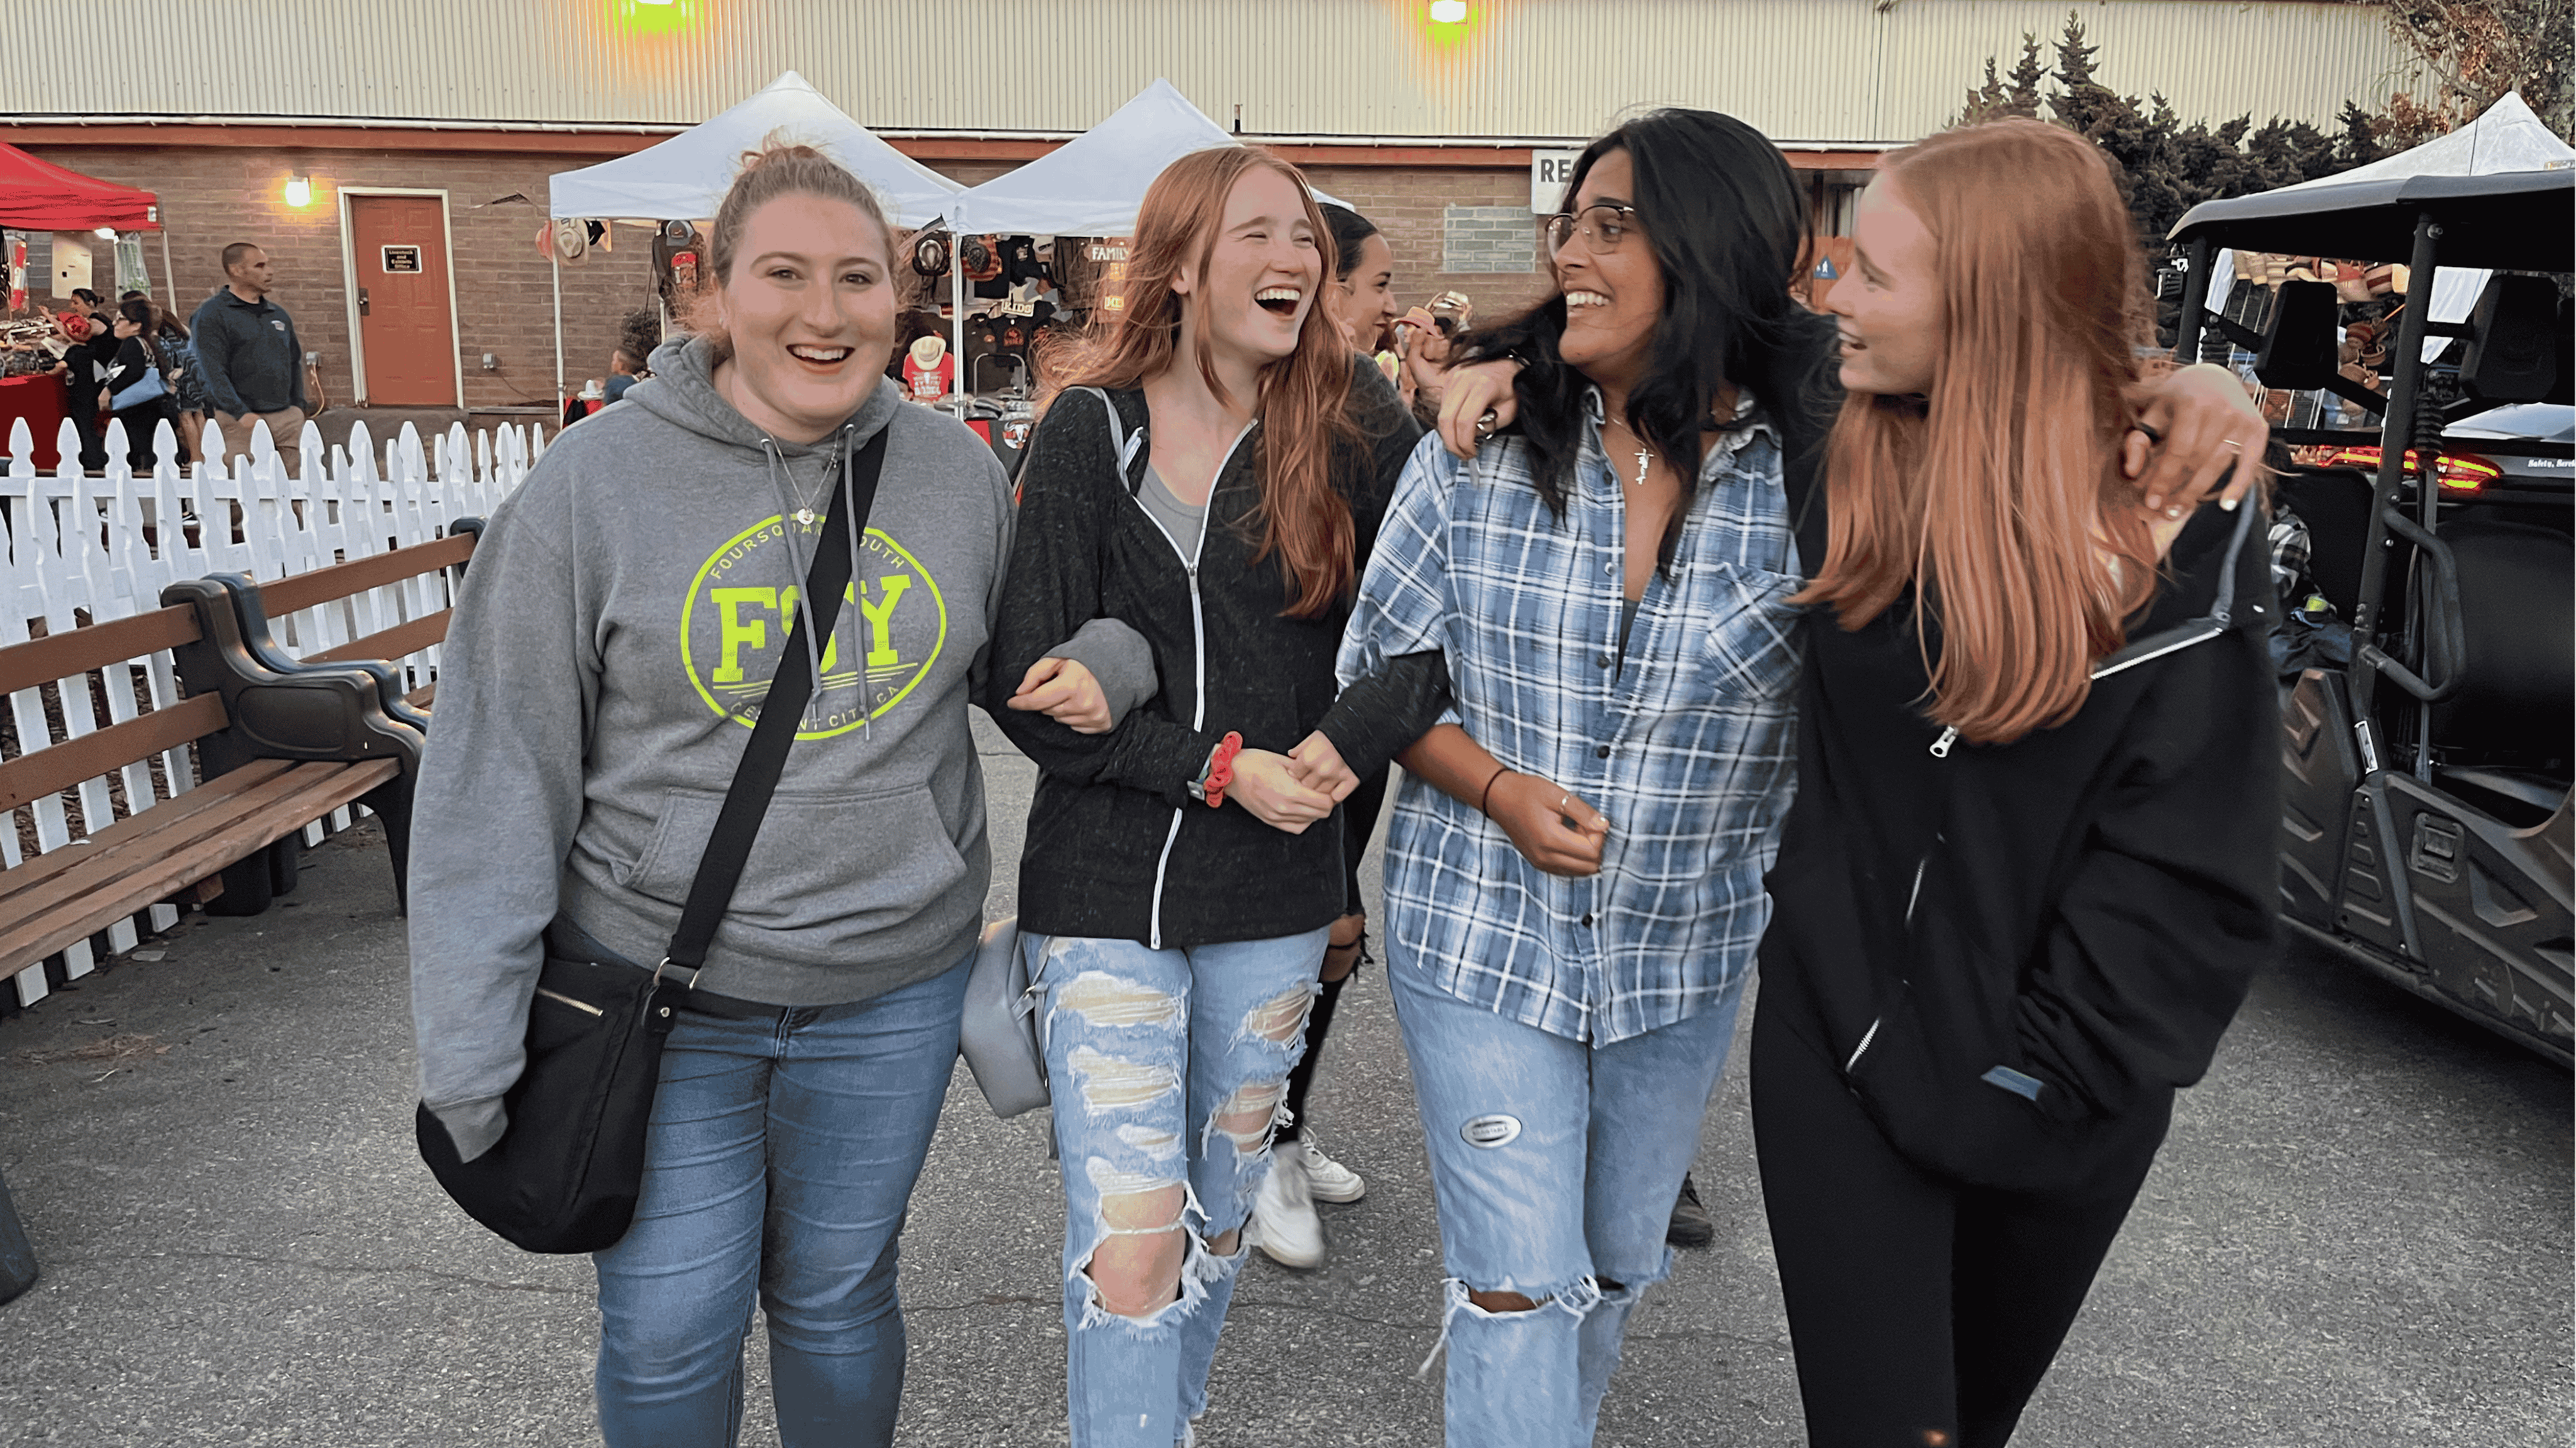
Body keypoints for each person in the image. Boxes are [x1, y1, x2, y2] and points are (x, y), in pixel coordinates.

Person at [1311, 107, 2271, 1448]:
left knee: (1616, 1274)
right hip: (1555, 961)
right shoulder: (1551, 445)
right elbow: (1385, 668)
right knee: (1522, 1288)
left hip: (1712, 967)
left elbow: (2187, 858)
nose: (1570, 248)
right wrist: (1495, 787)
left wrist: (2192, 390)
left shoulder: (1823, 450)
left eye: (1612, 223)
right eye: (1567, 222)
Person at [407, 142, 1153, 1447]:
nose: (825, 312)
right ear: (711, 295)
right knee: (668, 1325)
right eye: (785, 275)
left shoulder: (954, 473)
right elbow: (493, 779)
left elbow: (1032, 654)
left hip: (893, 994)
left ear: (900, 298)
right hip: (662, 997)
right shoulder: (591, 488)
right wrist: (470, 1051)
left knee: (838, 1299)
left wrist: (1112, 658)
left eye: (858, 277)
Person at [1751, 119, 2278, 1448]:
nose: (1834, 296)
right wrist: (1505, 367)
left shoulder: (2184, 519)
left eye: (1874, 271)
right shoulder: (1845, 428)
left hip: (2060, 1101)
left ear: (1991, 303)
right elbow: (1680, 315)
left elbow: (2193, 874)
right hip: (1842, 1043)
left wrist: (2038, 1088)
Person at [986, 145, 1420, 1447]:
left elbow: (1426, 631)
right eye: (1258, 235)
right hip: (1103, 890)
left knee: (1213, 1231)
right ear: (1179, 262)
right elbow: (1027, 683)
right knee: (1131, 1246)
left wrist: (1342, 751)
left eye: (1307, 238)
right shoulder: (1090, 428)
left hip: (1274, 900)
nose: (1294, 260)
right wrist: (1219, 766)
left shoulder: (1356, 419)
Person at [1230, 200, 1407, 1271]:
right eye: (1374, 283)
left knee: (1329, 935)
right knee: (1285, 936)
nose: (1388, 303)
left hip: (1349, 728)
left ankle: (1280, 1129)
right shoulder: (1210, 395)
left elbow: (1419, 569)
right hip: (1255, 732)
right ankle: (1258, 1144)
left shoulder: (1370, 405)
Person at [189, 241, 311, 476]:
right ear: (236, 270)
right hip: (240, 421)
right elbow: (211, 370)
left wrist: (298, 406)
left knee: (297, 491)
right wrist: (239, 412)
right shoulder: (213, 314)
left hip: (286, 416)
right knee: (243, 491)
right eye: (260, 266)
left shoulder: (278, 314)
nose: (270, 272)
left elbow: (293, 361)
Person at [102, 298, 186, 472]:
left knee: (139, 457)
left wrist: (108, 391)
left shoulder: (133, 343)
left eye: (120, 319)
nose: (114, 324)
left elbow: (134, 371)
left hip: (137, 411)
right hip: (155, 407)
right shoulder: (151, 342)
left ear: (136, 325)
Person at [604, 310, 658, 403]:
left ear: (621, 365)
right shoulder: (636, 382)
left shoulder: (613, 382)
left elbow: (604, 409)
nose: (612, 363)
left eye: (614, 360)